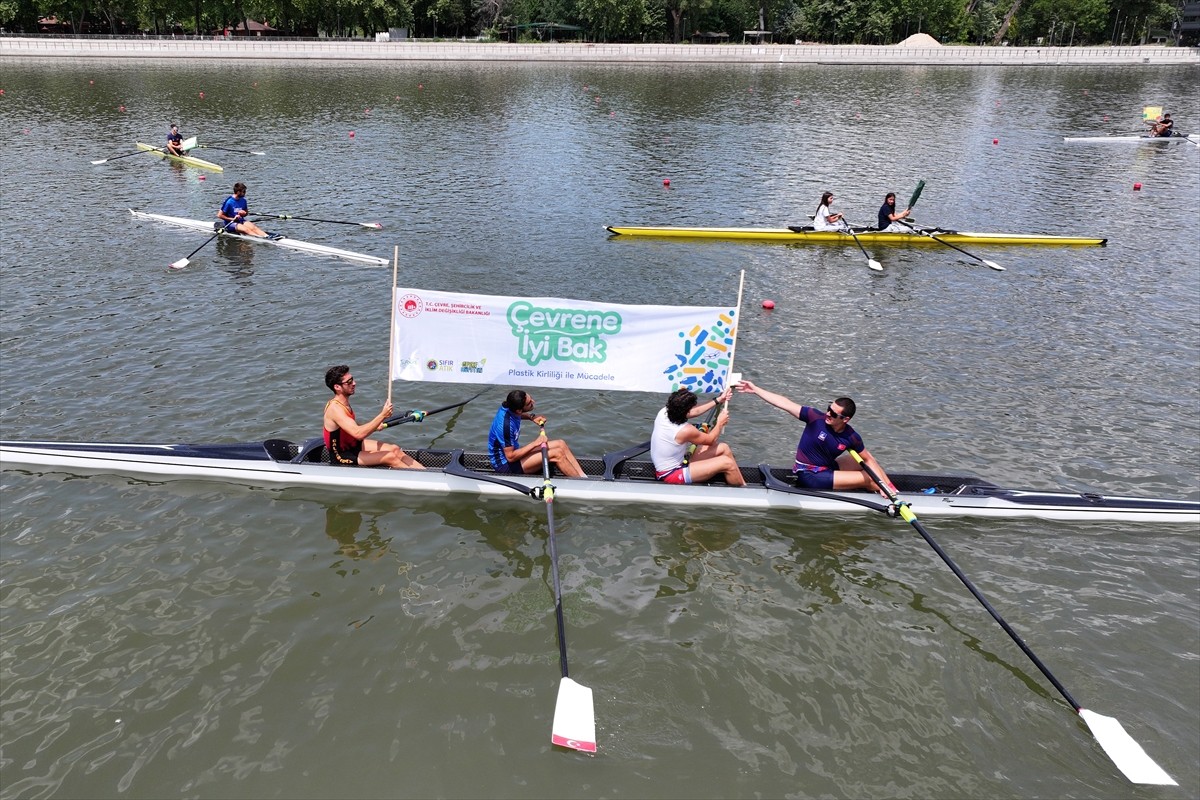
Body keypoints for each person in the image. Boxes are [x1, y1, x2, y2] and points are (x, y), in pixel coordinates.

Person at [737, 380, 898, 498]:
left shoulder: (851, 436)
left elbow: (868, 459)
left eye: (834, 414)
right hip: (808, 476)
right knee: (870, 478)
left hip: (826, 468)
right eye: (829, 408)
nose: (828, 414)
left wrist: (888, 484)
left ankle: (889, 490)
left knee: (866, 460)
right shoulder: (815, 418)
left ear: (845, 419)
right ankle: (878, 490)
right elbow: (785, 403)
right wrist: (756, 389)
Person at [322, 365, 425, 469]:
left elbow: (351, 427)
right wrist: (383, 415)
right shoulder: (335, 409)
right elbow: (358, 434)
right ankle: (421, 481)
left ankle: (425, 473)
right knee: (390, 457)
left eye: (352, 379)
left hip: (354, 445)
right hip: (341, 455)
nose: (354, 383)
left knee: (395, 449)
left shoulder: (344, 403)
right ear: (337, 387)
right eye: (349, 382)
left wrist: (375, 426)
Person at [650, 387, 746, 486]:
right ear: (686, 411)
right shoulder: (685, 430)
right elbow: (711, 440)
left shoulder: (664, 412)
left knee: (723, 448)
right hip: (670, 475)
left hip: (679, 463)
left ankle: (742, 482)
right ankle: (744, 492)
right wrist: (720, 423)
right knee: (727, 463)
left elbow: (694, 411)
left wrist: (719, 399)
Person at [488, 390, 585, 478]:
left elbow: (516, 415)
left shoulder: (508, 406)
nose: (533, 402)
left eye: (531, 398)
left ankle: (583, 477)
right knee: (557, 454)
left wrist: (531, 417)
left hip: (513, 455)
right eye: (530, 403)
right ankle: (581, 486)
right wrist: (535, 443)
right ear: (519, 410)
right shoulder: (505, 426)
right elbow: (511, 457)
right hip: (505, 466)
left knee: (561, 444)